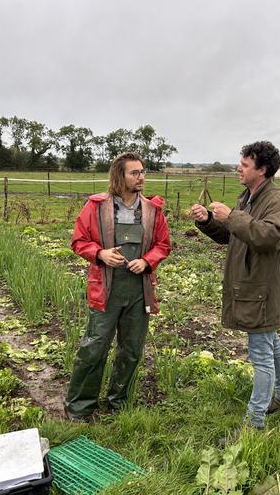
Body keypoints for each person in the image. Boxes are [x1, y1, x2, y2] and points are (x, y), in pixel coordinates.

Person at [191, 141, 280, 441]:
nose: (239, 167)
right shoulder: (249, 197)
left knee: (261, 355)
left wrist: (232, 216)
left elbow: (269, 236)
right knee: (271, 342)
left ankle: (253, 426)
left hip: (263, 291)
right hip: (253, 288)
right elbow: (233, 235)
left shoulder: (277, 199)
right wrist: (209, 221)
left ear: (262, 169)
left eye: (245, 164)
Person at [65, 152, 171, 422]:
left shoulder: (151, 210)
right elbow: (79, 241)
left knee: (132, 348)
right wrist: (100, 253)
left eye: (143, 172)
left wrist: (147, 261)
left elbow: (163, 245)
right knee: (94, 347)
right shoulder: (97, 207)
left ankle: (117, 402)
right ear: (119, 176)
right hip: (106, 288)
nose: (141, 177)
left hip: (138, 289)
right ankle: (80, 407)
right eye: (134, 173)